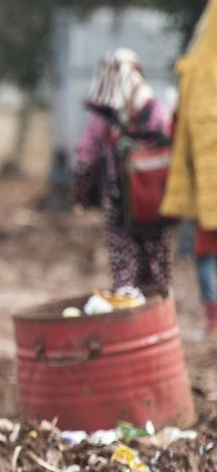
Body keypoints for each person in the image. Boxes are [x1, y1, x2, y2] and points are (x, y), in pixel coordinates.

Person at [71, 49, 174, 295]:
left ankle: (128, 319)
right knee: (157, 266)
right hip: (156, 203)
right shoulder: (156, 110)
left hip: (118, 204)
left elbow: (84, 160)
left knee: (123, 268)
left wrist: (78, 198)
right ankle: (158, 319)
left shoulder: (104, 117)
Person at [162, 0, 217, 334]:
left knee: (206, 255)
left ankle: (213, 319)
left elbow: (179, 135)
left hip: (205, 195)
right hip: (205, 191)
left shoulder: (196, 74)